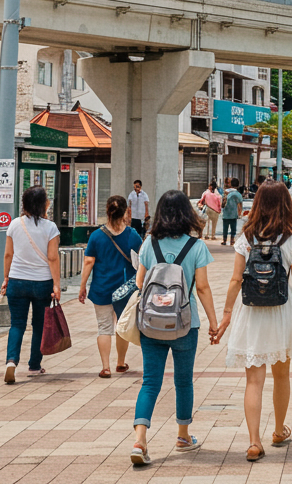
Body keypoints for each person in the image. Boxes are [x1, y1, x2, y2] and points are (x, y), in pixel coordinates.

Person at [214, 182, 292, 460]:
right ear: (285, 203)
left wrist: (226, 314)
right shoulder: (291, 236)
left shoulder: (246, 235)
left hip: (252, 311)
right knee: (281, 375)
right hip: (282, 311)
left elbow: (236, 279)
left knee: (253, 381)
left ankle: (254, 442)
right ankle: (280, 430)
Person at [130, 191, 217, 465]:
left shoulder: (149, 244)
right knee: (183, 381)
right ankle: (182, 436)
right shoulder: (197, 246)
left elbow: (139, 283)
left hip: (151, 323)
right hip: (185, 322)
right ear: (186, 214)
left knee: (150, 382)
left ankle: (140, 440)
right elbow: (201, 287)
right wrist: (214, 322)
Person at [0, 186, 61, 383]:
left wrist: (6, 278)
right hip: (42, 282)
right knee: (39, 325)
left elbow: (8, 254)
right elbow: (53, 258)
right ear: (44, 204)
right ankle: (34, 365)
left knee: (17, 324)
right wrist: (57, 285)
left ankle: (11, 361)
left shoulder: (14, 224)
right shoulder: (50, 227)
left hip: (17, 281)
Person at [79, 194, 142, 377]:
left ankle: (105, 367)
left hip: (102, 288)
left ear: (107, 211)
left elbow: (89, 262)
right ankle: (120, 363)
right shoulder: (133, 235)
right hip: (126, 290)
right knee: (122, 325)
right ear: (125, 213)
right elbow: (141, 260)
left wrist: (83, 286)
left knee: (104, 327)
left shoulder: (97, 236)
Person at [221, 177, 244, 245]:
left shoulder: (226, 192)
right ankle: (232, 240)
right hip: (234, 214)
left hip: (226, 213)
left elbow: (222, 202)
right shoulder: (238, 194)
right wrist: (240, 213)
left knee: (225, 228)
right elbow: (240, 204)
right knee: (233, 228)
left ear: (230, 184)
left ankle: (224, 240)